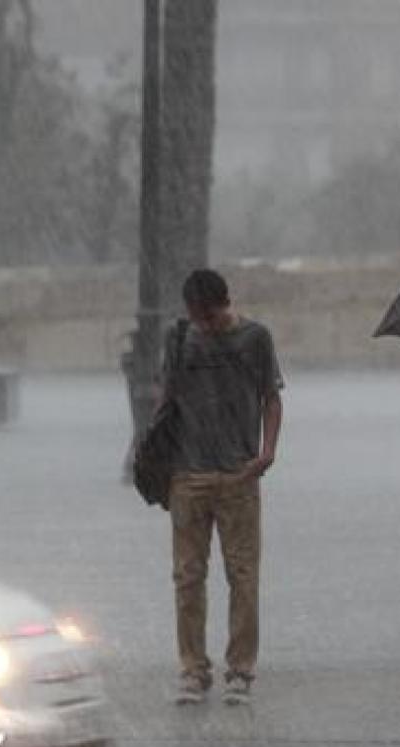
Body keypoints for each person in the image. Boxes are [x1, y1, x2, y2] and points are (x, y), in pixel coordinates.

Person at [161, 269, 283, 705]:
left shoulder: (255, 339)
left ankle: (240, 669)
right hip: (187, 474)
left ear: (224, 304)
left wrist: (267, 451)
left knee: (242, 575)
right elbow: (166, 401)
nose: (204, 326)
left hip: (238, 473)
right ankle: (193, 668)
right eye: (197, 318)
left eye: (209, 317)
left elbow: (271, 396)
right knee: (188, 576)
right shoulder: (179, 338)